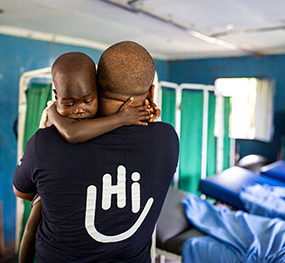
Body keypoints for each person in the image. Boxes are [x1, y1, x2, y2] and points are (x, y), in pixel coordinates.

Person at [13, 41, 179, 263]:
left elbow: (22, 191)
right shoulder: (168, 139)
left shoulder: (45, 143)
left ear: (96, 87)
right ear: (151, 91)